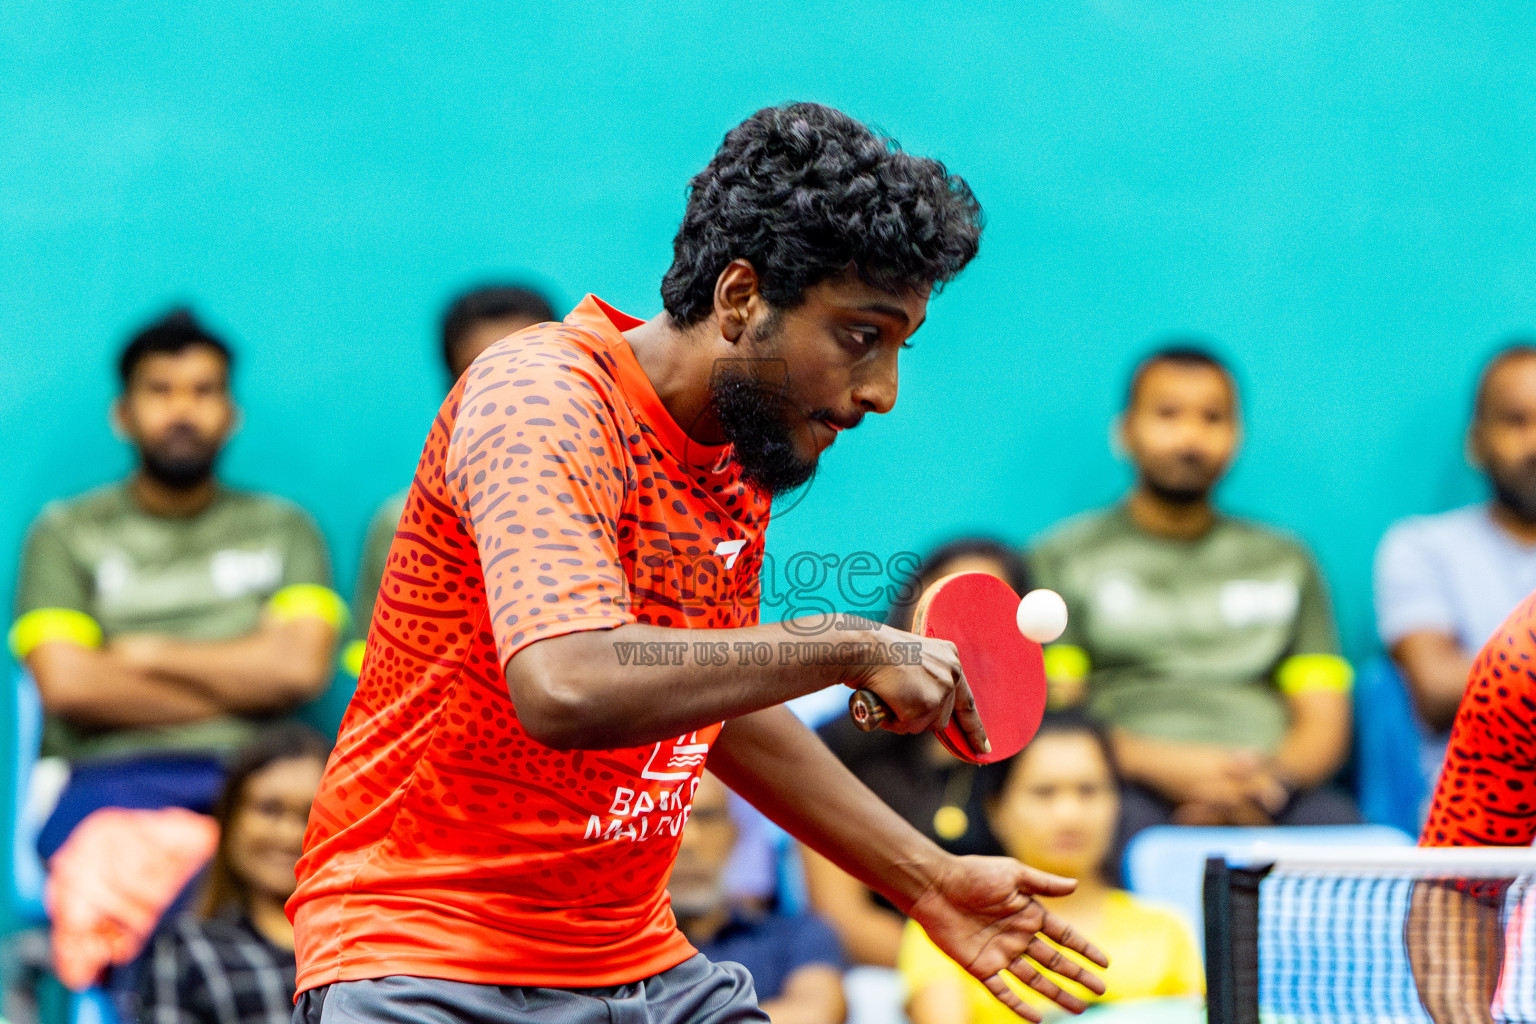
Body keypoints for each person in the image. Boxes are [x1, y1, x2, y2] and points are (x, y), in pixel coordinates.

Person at [288, 102, 1108, 1024]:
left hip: (638, 960)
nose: (882, 392)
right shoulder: (545, 399)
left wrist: (926, 879)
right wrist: (837, 642)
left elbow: (710, 698)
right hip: (428, 958)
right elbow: (564, 683)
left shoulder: (739, 449)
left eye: (899, 347)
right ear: (740, 299)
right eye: (858, 336)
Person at [10, 309, 345, 858]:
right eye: (160, 391)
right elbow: (69, 685)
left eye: (203, 390)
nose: (182, 410)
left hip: (259, 781)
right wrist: (245, 686)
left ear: (231, 413)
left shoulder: (286, 528)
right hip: (111, 781)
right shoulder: (65, 532)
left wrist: (148, 653)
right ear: (123, 413)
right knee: (145, 875)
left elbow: (299, 670)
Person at [1029, 345, 1357, 859]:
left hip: (1271, 790)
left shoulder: (1287, 560)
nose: (1190, 437)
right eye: (1167, 413)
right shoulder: (1062, 559)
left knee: (1352, 841)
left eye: (1212, 417)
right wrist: (1176, 771)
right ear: (1125, 432)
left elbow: (1324, 720)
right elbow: (1059, 712)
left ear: (1236, 436)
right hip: (1126, 786)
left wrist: (1269, 784)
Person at [804, 539, 1028, 969]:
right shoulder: (841, 743)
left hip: (1009, 971)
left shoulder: (1044, 750)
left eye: (987, 608)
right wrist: (944, 980)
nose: (964, 629)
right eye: (948, 602)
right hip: (895, 976)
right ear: (910, 617)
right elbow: (841, 918)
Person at [901, 713, 1203, 1024]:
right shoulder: (947, 926)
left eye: (1088, 790)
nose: (1069, 814)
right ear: (996, 809)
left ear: (1116, 803)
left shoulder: (1166, 928)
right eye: (1044, 792)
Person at [347, 285, 559, 673]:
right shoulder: (402, 524)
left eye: (532, 371)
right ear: (452, 394)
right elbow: (383, 671)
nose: (513, 398)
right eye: (486, 379)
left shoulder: (624, 503)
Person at [1375, 344, 1536, 774]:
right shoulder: (1421, 547)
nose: (1535, 443)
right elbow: (1438, 689)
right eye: (1515, 421)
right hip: (1481, 814)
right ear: (1476, 441)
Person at [132, 724, 329, 1024]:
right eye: (269, 809)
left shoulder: (360, 946)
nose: (290, 834)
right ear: (231, 816)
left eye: (309, 815)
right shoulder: (191, 950)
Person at [670, 773, 845, 1024]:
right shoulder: (608, 949)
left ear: (734, 834)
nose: (689, 839)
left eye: (707, 818)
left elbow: (817, 1014)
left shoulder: (798, 935)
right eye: (671, 821)